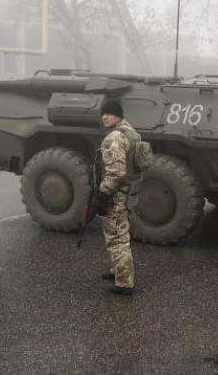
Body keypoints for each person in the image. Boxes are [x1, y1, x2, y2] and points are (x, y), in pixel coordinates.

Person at [92, 100, 138, 295]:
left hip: (116, 194)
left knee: (117, 237)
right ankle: (117, 270)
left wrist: (103, 193)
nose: (104, 117)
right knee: (119, 233)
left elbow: (116, 173)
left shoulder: (115, 138)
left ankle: (124, 282)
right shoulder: (131, 132)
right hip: (130, 190)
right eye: (103, 113)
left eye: (109, 113)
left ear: (118, 115)